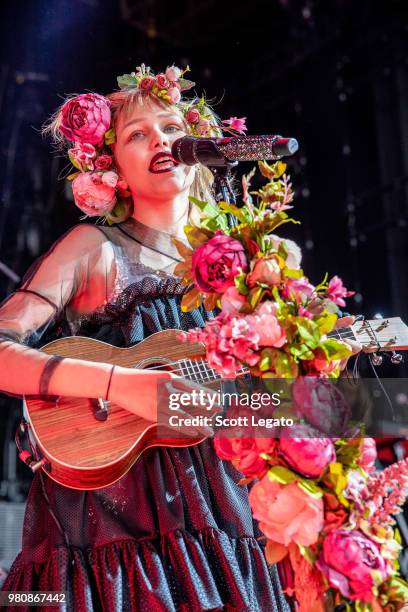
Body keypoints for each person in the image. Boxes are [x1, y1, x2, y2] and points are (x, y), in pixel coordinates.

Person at [0, 64, 292, 611]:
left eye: (172, 125)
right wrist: (123, 384)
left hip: (222, 502)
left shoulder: (242, 262)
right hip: (114, 515)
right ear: (111, 169)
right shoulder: (96, 248)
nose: (162, 139)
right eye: (139, 133)